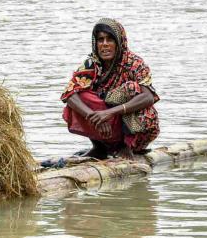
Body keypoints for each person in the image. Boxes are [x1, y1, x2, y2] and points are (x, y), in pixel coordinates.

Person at [60, 18, 159, 160]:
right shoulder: (92, 64)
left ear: (119, 42)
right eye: (101, 40)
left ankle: (126, 147)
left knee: (132, 88)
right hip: (104, 126)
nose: (105, 45)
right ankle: (99, 147)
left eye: (110, 40)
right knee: (79, 95)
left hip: (135, 129)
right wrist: (95, 117)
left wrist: (109, 113)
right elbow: (68, 94)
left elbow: (148, 97)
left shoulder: (135, 63)